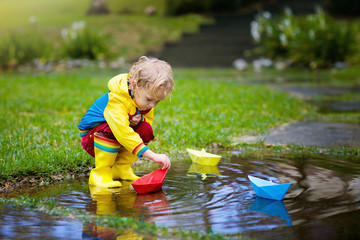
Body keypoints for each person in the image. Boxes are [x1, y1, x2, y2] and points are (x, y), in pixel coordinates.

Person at [78, 56, 174, 188]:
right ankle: (100, 173)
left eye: (157, 101)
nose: (152, 105)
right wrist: (151, 155)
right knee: (110, 129)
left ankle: (121, 168)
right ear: (134, 85)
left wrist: (138, 120)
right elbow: (122, 132)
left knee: (145, 129)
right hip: (92, 138)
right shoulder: (117, 99)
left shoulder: (143, 100)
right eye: (149, 99)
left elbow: (144, 125)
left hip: (116, 138)